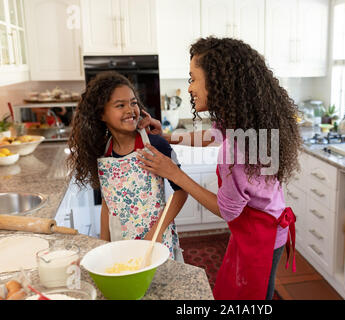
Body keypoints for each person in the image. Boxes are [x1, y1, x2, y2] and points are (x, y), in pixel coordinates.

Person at [137, 37, 301, 299]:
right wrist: (167, 135)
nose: (189, 88)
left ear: (216, 82)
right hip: (262, 225)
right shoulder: (243, 120)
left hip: (262, 235)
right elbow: (210, 136)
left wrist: (174, 173)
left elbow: (227, 211)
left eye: (192, 78)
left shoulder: (237, 149)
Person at [67, 71, 187, 261]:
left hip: (156, 240)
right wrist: (103, 245)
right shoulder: (103, 152)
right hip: (121, 241)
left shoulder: (155, 144)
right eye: (120, 105)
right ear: (101, 114)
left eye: (133, 103)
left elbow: (181, 192)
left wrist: (154, 236)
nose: (130, 110)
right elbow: (108, 202)